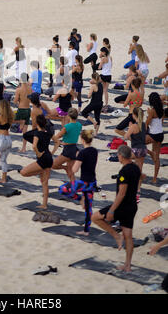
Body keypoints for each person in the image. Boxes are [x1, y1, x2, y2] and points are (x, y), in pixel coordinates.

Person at [92, 145, 141, 273]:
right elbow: (140, 178)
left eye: (118, 155)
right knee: (129, 236)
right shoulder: (135, 167)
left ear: (121, 156)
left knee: (95, 217)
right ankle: (128, 265)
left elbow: (121, 193)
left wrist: (112, 210)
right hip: (132, 205)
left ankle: (116, 236)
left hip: (122, 206)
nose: (117, 157)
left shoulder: (124, 171)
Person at [59, 129, 98, 235]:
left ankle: (80, 199)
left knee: (62, 189)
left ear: (82, 139)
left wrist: (77, 158)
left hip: (84, 183)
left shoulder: (82, 153)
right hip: (93, 182)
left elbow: (74, 170)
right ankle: (86, 230)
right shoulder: (94, 151)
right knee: (88, 208)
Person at [20, 114, 58, 209]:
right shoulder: (48, 132)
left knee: (23, 172)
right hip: (49, 158)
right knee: (44, 183)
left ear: (37, 123)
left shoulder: (37, 134)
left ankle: (40, 170)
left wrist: (38, 153)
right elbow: (57, 142)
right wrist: (52, 152)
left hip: (43, 158)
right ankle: (44, 204)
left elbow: (34, 146)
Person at [122, 107, 147, 199]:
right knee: (139, 169)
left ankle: (126, 181)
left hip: (136, 150)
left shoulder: (133, 126)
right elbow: (140, 137)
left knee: (125, 161)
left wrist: (129, 127)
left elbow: (125, 136)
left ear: (134, 115)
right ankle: (138, 189)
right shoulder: (144, 125)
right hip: (144, 149)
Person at [51, 108, 82, 182]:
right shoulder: (79, 125)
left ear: (68, 116)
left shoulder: (67, 126)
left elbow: (57, 137)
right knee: (71, 172)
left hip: (68, 149)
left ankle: (65, 168)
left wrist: (60, 142)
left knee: (53, 165)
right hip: (74, 148)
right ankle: (73, 186)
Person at [145, 92, 164, 184]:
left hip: (153, 134)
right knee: (157, 158)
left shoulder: (152, 111)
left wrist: (148, 114)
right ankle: (155, 178)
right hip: (160, 134)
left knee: (139, 143)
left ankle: (150, 153)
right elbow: (161, 121)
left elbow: (147, 124)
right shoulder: (162, 109)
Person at [13, 73, 32, 153]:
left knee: (11, 122)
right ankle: (23, 148)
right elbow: (30, 100)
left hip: (21, 109)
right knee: (25, 131)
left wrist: (18, 101)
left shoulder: (19, 89)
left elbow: (14, 101)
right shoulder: (30, 89)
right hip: (28, 109)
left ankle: (21, 124)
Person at [98, 47, 112, 112]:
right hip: (109, 75)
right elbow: (111, 66)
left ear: (104, 52)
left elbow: (99, 67)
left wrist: (100, 58)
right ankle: (106, 105)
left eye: (101, 52)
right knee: (106, 91)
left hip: (104, 75)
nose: (100, 53)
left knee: (97, 86)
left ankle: (99, 102)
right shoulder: (110, 57)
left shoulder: (103, 58)